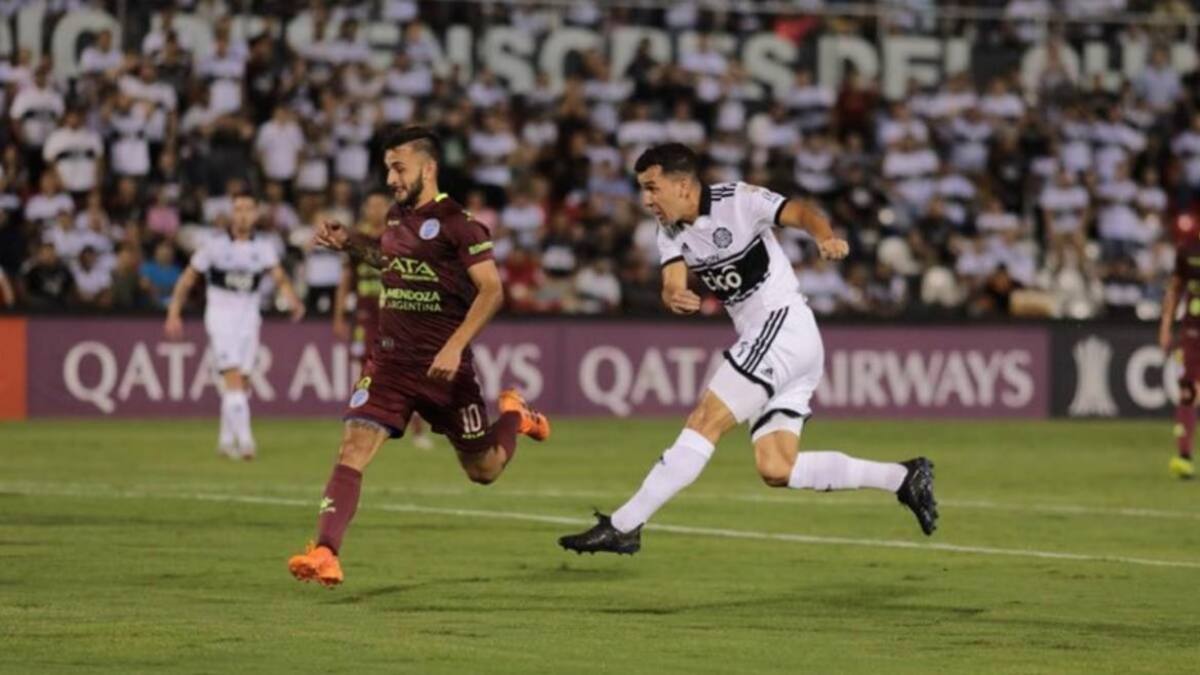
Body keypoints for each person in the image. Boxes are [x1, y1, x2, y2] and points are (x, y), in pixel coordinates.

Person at [558, 144, 938, 555]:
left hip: (781, 326)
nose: (646, 199)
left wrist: (824, 237)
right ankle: (902, 478)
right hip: (787, 342)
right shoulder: (667, 231)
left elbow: (801, 213)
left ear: (683, 185)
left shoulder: (738, 200)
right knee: (776, 467)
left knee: (704, 420)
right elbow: (672, 282)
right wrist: (675, 296)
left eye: (652, 188)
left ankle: (624, 525)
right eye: (642, 190)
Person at [287, 126, 550, 587]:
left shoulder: (459, 223)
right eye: (388, 167)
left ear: (428, 168)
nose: (391, 178)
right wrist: (349, 243)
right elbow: (391, 265)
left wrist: (453, 346)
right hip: (389, 363)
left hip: (445, 370)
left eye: (399, 167)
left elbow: (492, 291)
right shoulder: (395, 218)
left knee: (484, 469)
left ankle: (514, 415)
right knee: (352, 447)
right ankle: (325, 552)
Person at [164, 193, 304, 460]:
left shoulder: (263, 247)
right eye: (238, 209)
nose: (242, 215)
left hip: (249, 318)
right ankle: (246, 442)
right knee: (234, 378)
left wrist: (292, 299)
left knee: (242, 383)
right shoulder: (214, 245)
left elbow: (279, 277)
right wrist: (174, 312)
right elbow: (188, 279)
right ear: (231, 213)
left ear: (255, 214)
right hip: (221, 317)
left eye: (248, 209)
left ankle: (226, 441)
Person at [332, 190, 434, 450]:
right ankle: (360, 427)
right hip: (366, 314)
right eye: (372, 205)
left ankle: (417, 430)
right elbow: (345, 281)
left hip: (397, 311)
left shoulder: (399, 236)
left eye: (380, 205)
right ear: (365, 208)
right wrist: (339, 316)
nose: (376, 210)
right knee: (366, 370)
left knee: (408, 370)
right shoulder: (356, 239)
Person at [1158, 224, 1200, 479]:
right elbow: (1174, 289)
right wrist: (1165, 326)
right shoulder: (1188, 250)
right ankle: (1184, 457)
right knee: (1188, 390)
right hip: (1193, 331)